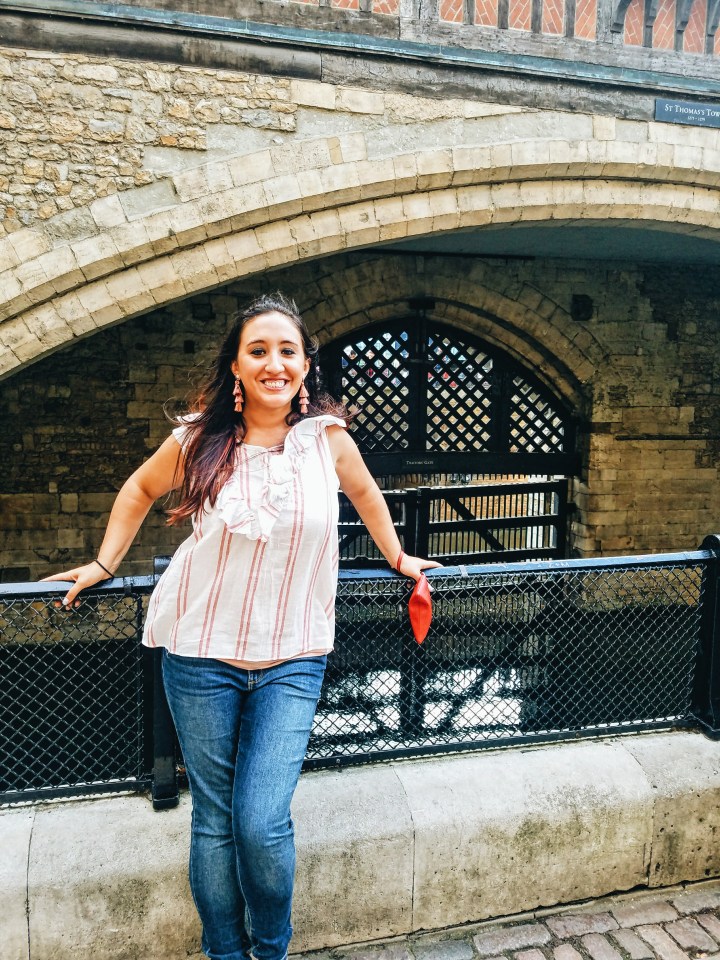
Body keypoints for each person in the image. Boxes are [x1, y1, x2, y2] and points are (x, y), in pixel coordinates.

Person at [43, 293, 440, 960]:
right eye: (259, 351)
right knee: (216, 822)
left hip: (292, 656)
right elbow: (139, 490)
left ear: (306, 365)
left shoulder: (328, 442)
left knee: (262, 823)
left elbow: (368, 495)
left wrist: (397, 556)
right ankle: (225, 953)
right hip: (199, 654)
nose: (273, 363)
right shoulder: (198, 438)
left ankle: (271, 949)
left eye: (287, 351)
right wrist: (105, 561)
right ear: (237, 366)